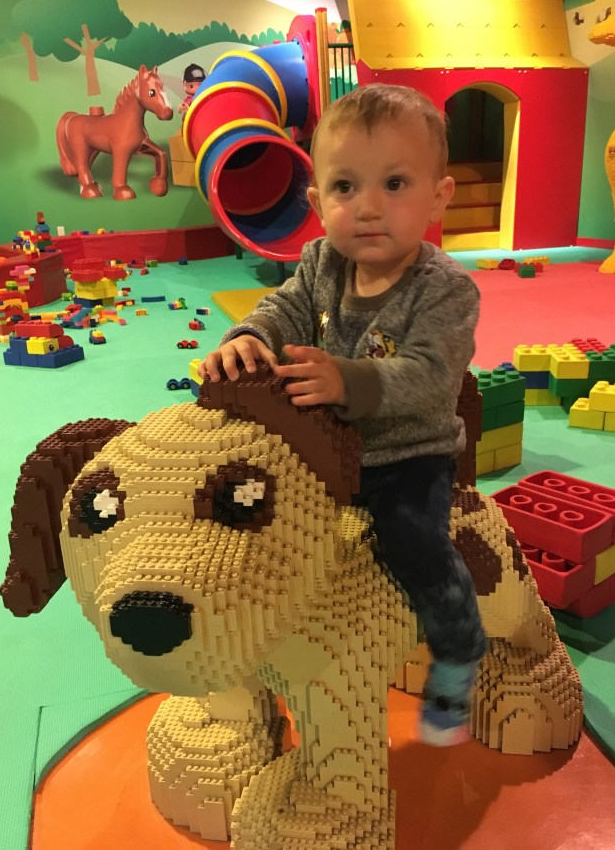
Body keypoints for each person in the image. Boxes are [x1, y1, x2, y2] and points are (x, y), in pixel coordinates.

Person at [199, 83, 487, 746]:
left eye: (395, 183)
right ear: (316, 202)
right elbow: (285, 309)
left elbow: (431, 377)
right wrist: (250, 337)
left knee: (414, 541)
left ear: (438, 197)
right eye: (346, 187)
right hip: (324, 446)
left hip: (406, 453)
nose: (368, 207)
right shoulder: (322, 262)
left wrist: (347, 379)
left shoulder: (445, 289)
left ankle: (458, 647)